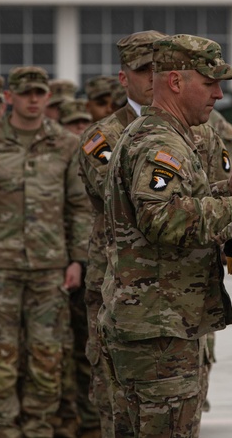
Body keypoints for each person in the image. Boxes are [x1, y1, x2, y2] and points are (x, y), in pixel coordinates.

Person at [99, 34, 232, 437]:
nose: (219, 94)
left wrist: (231, 185)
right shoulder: (159, 142)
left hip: (157, 323)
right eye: (210, 82)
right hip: (158, 331)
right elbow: (159, 217)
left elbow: (178, 202)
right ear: (176, 82)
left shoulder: (164, 134)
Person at [0, 66, 91, 438]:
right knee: (0, 359)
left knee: (47, 358)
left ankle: (38, 429)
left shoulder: (66, 144)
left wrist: (77, 259)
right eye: (24, 93)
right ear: (10, 98)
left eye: (38, 93)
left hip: (50, 269)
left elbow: (79, 206)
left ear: (47, 97)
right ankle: (3, 431)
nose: (32, 100)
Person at [77, 29, 165, 438]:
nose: (152, 78)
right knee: (118, 406)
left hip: (178, 291)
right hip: (121, 283)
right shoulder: (103, 137)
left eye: (159, 69)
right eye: (142, 70)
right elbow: (130, 194)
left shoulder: (199, 133)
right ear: (123, 78)